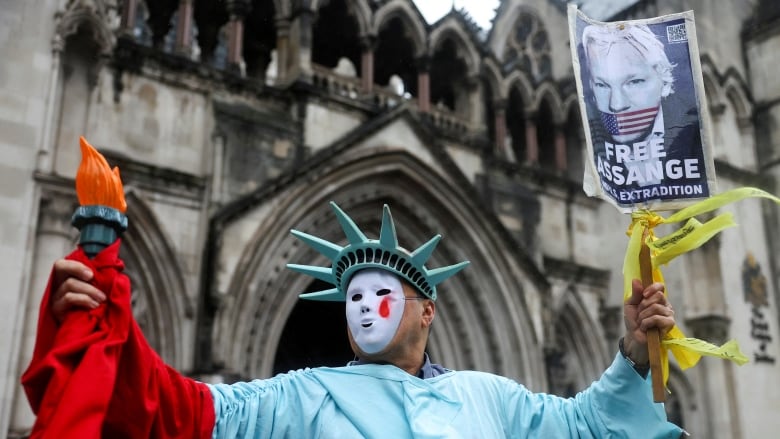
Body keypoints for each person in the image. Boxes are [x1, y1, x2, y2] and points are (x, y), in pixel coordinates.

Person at [30, 202, 682, 437]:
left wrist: (630, 348)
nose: (364, 306)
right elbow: (181, 409)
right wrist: (107, 321)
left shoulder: (490, 397)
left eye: (381, 292)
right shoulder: (304, 395)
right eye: (353, 298)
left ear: (428, 308)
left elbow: (586, 426)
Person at [581, 22, 707, 204]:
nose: (616, 104)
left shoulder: (691, 134)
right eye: (602, 85)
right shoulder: (599, 148)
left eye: (634, 82)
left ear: (663, 82)